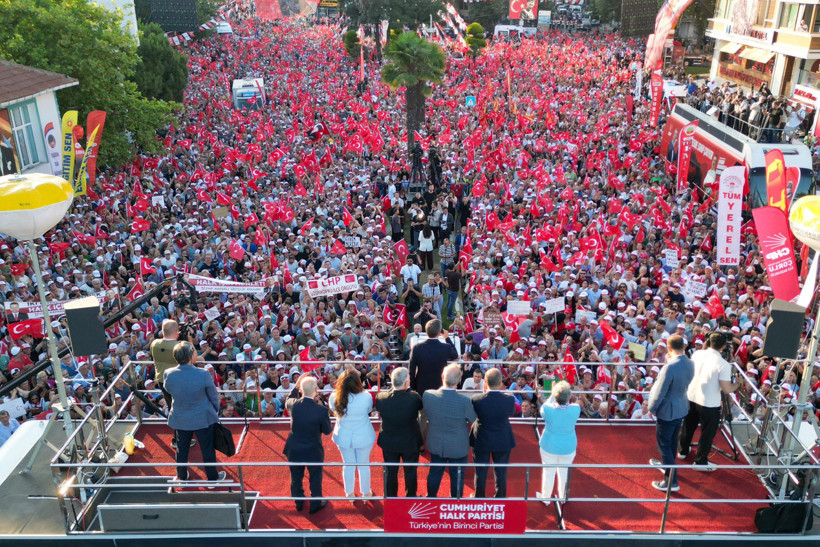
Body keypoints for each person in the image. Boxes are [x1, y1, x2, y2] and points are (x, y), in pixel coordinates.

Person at [163, 341, 226, 484]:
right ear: (192, 356)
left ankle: (182, 476)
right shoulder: (202, 374)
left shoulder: (168, 374)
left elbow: (169, 390)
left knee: (182, 447)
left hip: (180, 417)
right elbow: (213, 396)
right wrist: (215, 411)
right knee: (207, 448)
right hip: (202, 417)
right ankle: (212, 479)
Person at [678, 333, 739, 471]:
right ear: (724, 346)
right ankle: (700, 462)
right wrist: (738, 384)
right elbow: (727, 389)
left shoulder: (697, 354)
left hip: (692, 396)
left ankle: (682, 451)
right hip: (709, 403)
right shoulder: (723, 364)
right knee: (707, 433)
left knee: (688, 425)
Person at [647, 334, 694, 492]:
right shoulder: (690, 363)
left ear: (668, 348)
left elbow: (660, 391)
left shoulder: (669, 367)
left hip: (667, 411)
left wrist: (651, 408)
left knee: (664, 445)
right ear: (683, 346)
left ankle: (671, 481)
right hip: (681, 407)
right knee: (672, 442)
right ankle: (668, 465)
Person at [423, 363, 477, 498]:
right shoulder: (465, 401)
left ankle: (431, 497)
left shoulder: (428, 395)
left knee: (435, 473)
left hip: (437, 443)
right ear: (459, 381)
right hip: (458, 445)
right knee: (457, 475)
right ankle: (455, 503)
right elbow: (473, 419)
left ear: (442, 377)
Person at [284, 375, 332, 514]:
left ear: (301, 390)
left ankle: (298, 502)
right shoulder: (321, 411)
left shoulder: (293, 404)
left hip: (294, 449)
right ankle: (315, 504)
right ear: (316, 390)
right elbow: (327, 431)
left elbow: (288, 399)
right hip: (313, 450)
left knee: (296, 476)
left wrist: (297, 385)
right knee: (315, 477)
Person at [374, 366, 424, 497]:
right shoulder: (414, 398)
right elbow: (420, 406)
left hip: (389, 442)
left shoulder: (381, 398)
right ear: (407, 382)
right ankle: (410, 497)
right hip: (410, 441)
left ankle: (391, 498)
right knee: (410, 471)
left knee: (391, 471)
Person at [329, 368, 377, 500]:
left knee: (348, 465)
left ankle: (349, 494)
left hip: (343, 436)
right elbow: (368, 410)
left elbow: (333, 409)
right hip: (363, 436)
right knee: (364, 465)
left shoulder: (334, 396)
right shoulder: (366, 396)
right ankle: (366, 493)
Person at [409, 319, 459, 441]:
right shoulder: (445, 347)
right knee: (440, 415)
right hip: (440, 386)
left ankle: (421, 444)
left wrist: (413, 387)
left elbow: (411, 370)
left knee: (422, 417)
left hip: (422, 387)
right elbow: (455, 355)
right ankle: (439, 441)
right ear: (439, 332)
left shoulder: (417, 348)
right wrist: (447, 338)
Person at [471, 368, 516, 498]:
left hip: (482, 440)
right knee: (501, 471)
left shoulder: (476, 399)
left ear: (485, 382)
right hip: (502, 440)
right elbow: (512, 411)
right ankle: (500, 497)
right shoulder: (509, 400)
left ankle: (479, 497)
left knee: (480, 471)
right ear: (500, 382)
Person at [536, 380, 581, 503]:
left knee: (548, 472)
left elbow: (546, 406)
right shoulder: (576, 409)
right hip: (568, 448)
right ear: (569, 396)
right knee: (564, 471)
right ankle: (562, 497)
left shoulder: (547, 409)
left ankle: (546, 498)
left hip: (548, 447)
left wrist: (552, 393)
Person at [151, 319, 191, 449]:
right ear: (176, 331)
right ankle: (179, 439)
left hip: (163, 381)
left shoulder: (155, 344)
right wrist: (188, 340)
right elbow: (192, 358)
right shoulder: (179, 346)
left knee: (173, 408)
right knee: (180, 409)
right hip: (178, 382)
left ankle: (179, 437)